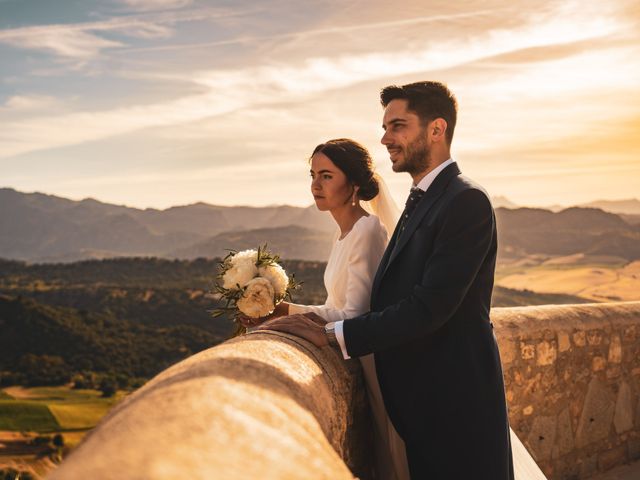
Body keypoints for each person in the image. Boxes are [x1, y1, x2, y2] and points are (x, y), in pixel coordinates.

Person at [257, 81, 516, 479]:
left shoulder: (465, 200)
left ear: (436, 129)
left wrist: (330, 334)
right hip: (425, 402)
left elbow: (429, 307)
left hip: (456, 401)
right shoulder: (422, 198)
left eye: (398, 126)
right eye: (385, 127)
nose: (385, 138)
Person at [243, 138, 411, 480]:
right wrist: (284, 311)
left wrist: (297, 319)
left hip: (380, 366)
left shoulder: (366, 230)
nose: (315, 185)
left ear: (353, 185)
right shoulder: (345, 233)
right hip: (362, 359)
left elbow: (357, 316)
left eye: (327, 176)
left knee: (396, 462)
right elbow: (337, 307)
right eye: (313, 175)